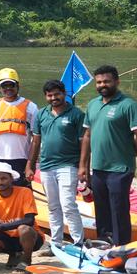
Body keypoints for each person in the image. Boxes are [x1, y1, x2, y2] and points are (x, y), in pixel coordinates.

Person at [82, 65, 137, 245]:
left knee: (118, 209)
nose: (102, 85)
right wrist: (83, 166)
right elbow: (87, 136)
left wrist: (128, 155)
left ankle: (121, 247)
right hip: (98, 168)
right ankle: (104, 243)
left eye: (106, 81)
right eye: (99, 82)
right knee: (101, 208)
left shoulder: (128, 105)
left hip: (120, 169)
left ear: (117, 82)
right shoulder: (92, 104)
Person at [27, 80, 86, 246]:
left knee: (68, 205)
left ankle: (78, 243)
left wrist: (83, 167)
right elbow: (36, 141)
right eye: (49, 95)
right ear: (46, 96)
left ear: (64, 93)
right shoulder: (41, 114)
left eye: (57, 94)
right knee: (53, 206)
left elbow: (84, 143)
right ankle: (56, 243)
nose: (53, 98)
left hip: (68, 165)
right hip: (46, 166)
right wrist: (30, 165)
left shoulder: (76, 114)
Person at [0, 68, 38, 189]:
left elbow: (36, 140)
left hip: (20, 159)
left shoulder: (31, 107)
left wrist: (30, 165)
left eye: (11, 85)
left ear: (18, 85)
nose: (8, 89)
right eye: (4, 86)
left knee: (21, 194)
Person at [0, 163, 42, 269]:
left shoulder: (25, 192)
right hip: (7, 235)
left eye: (4, 178)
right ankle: (14, 254)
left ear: (11, 179)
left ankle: (26, 260)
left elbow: (29, 220)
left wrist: (0, 227)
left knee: (24, 229)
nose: (0, 182)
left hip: (30, 236)